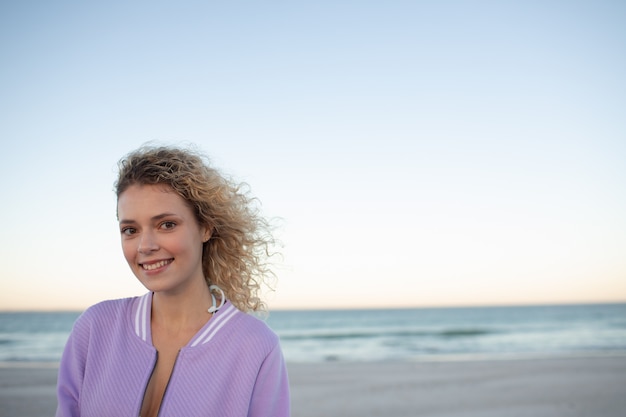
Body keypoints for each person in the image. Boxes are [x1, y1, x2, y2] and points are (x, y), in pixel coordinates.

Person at [56, 145, 290, 417]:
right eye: (130, 230)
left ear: (205, 227)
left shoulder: (255, 346)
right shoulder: (95, 327)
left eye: (166, 224)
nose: (145, 246)